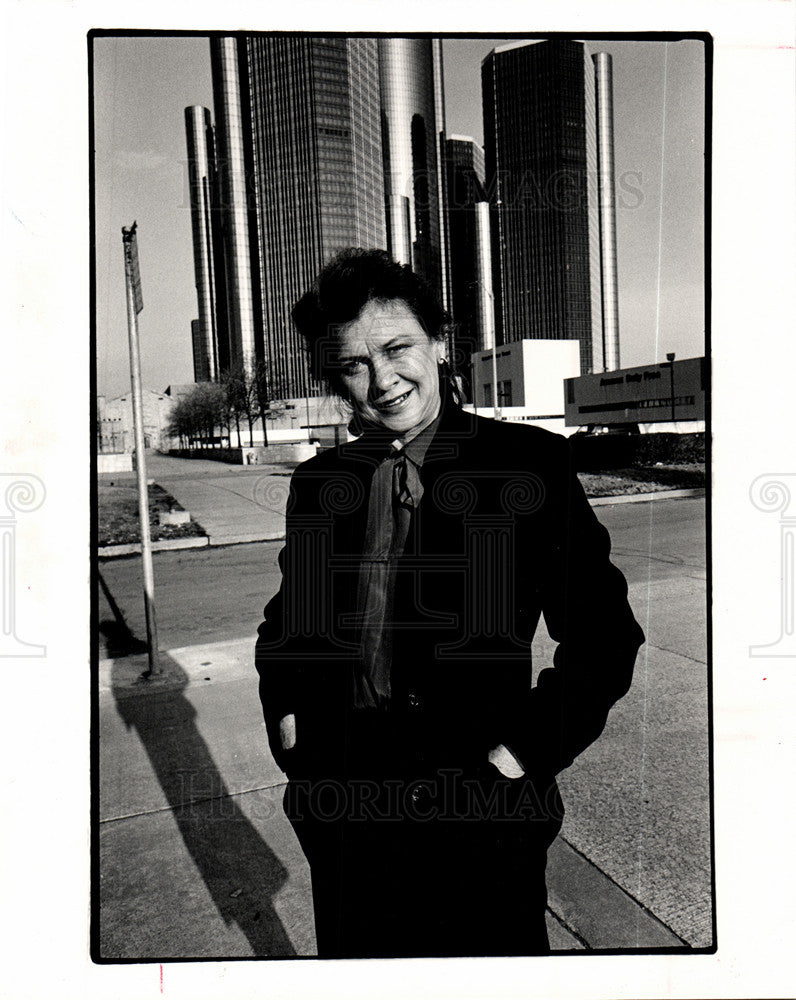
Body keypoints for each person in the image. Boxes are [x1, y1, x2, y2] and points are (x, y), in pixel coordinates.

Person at [255, 248, 644, 959]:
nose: (382, 381)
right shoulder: (321, 483)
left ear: (438, 341)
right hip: (345, 804)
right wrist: (290, 722)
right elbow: (290, 622)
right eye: (351, 365)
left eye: (397, 348)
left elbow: (604, 635)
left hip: (480, 804)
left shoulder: (529, 465)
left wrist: (521, 753)